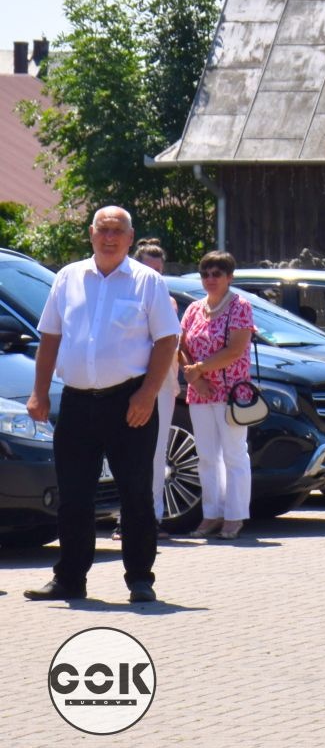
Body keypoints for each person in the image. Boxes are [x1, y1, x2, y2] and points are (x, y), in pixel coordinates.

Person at [24, 207, 180, 604]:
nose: (109, 238)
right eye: (103, 230)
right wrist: (39, 392)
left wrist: (148, 393)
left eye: (117, 231)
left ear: (130, 238)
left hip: (130, 402)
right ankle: (70, 578)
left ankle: (140, 579)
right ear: (91, 234)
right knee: (74, 494)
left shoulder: (147, 281)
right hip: (77, 401)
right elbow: (50, 338)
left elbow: (167, 340)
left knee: (136, 493)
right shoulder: (68, 277)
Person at [178, 251, 255, 540]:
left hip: (231, 391)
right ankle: (212, 513)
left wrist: (200, 368)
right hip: (200, 392)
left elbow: (235, 350)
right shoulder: (193, 309)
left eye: (217, 274)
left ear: (229, 277)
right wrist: (196, 379)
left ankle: (235, 516)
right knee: (207, 456)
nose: (210, 279)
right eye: (205, 274)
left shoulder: (240, 306)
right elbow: (181, 346)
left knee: (234, 454)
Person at [119, 239, 176, 540]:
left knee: (155, 451)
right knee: (120, 452)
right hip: (123, 383)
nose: (156, 276)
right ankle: (122, 517)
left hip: (159, 385)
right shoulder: (122, 294)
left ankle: (151, 517)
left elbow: (169, 343)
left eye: (159, 271)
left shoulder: (168, 302)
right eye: (149, 269)